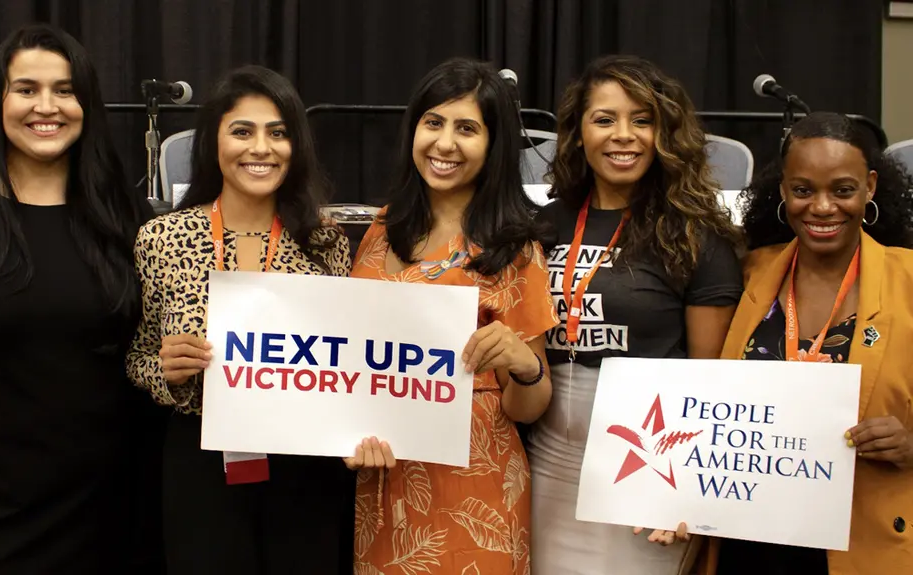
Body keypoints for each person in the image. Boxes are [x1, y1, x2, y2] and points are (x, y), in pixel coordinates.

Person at [126, 65, 353, 575]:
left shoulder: (325, 240)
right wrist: (165, 369)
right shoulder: (161, 239)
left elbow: (348, 363)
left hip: (304, 465)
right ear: (214, 142)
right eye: (242, 131)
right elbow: (137, 356)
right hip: (201, 459)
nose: (261, 148)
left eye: (278, 133)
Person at [526, 54, 745, 575]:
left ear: (665, 132)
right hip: (545, 462)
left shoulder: (696, 236)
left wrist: (687, 486)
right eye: (605, 119)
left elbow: (711, 379)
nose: (623, 135)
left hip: (647, 467)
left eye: (642, 120)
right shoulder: (544, 224)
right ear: (578, 134)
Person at [0, 24, 160, 574]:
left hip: (109, 517)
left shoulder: (128, 219)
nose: (47, 106)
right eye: (26, 89)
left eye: (65, 90)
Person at [346, 57, 557, 575]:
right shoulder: (381, 229)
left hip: (475, 481)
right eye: (433, 122)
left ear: (493, 144)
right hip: (385, 479)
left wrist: (523, 366)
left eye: (467, 128)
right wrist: (343, 436)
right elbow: (348, 365)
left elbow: (530, 405)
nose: (444, 144)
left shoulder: (514, 247)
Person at [699, 112, 913, 574]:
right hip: (748, 536)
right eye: (803, 190)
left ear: (870, 187)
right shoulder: (746, 272)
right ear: (782, 191)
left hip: (862, 537)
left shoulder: (910, 281)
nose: (821, 207)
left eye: (842, 190)